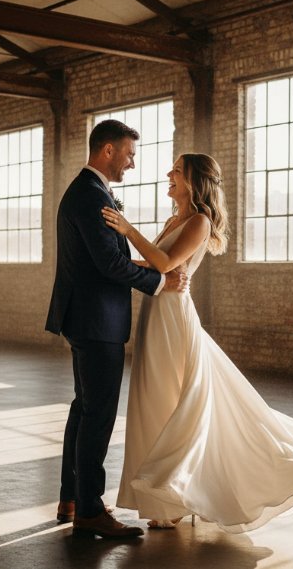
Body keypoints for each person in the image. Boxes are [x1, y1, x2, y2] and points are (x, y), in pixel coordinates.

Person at [102, 153, 293, 533]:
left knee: (170, 402)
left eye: (177, 171)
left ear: (194, 182)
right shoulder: (174, 219)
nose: (168, 174)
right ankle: (166, 500)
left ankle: (176, 495)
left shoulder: (199, 221)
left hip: (172, 318)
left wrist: (127, 229)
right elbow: (152, 265)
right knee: (152, 402)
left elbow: (165, 263)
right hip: (154, 313)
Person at [45, 120, 189, 539]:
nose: (132, 162)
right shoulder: (90, 196)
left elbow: (106, 259)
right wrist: (161, 283)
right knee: (99, 413)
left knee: (83, 407)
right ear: (107, 151)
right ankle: (90, 510)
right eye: (128, 153)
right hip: (96, 320)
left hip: (86, 317)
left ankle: (71, 496)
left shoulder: (88, 191)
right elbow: (109, 263)